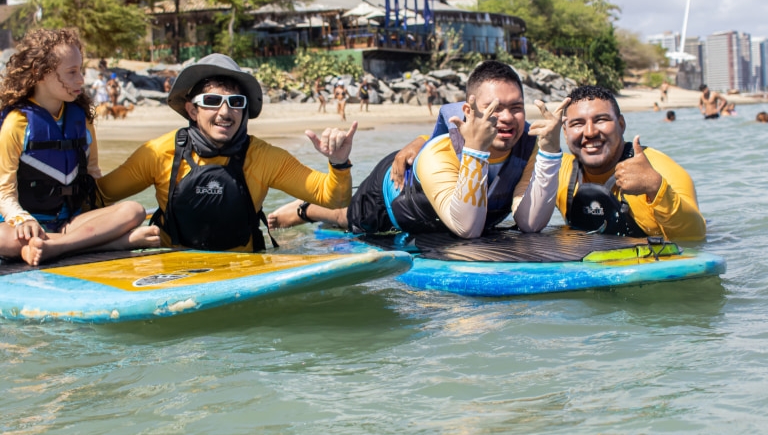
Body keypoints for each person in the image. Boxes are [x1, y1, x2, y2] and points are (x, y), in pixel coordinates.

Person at [268, 60, 566, 239]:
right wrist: (475, 151)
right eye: (494, 109)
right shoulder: (440, 153)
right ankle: (307, 210)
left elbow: (530, 223)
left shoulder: (529, 146)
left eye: (516, 108)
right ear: (468, 110)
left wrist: (551, 152)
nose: (506, 118)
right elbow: (468, 230)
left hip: (455, 214)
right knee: (350, 221)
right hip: (387, 197)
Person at [96, 53, 357, 252]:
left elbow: (333, 199)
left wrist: (338, 162)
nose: (224, 112)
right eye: (211, 102)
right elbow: (101, 195)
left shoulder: (264, 157)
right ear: (192, 111)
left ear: (244, 110)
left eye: (235, 103)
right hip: (172, 264)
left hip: (243, 267)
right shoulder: (157, 153)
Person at [0, 28, 159, 266]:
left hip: (70, 225)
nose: (81, 80)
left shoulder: (81, 119)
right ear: (39, 73)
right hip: (25, 229)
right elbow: (4, 191)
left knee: (133, 210)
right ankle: (110, 244)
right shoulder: (17, 124)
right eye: (72, 72)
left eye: (81, 71)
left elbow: (93, 177)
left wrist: (110, 220)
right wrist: (22, 219)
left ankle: (55, 247)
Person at [557, 85, 706, 241]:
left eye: (601, 120)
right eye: (577, 124)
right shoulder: (555, 172)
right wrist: (547, 146)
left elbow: (695, 237)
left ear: (621, 124)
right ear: (565, 132)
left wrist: (656, 188)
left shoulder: (660, 170)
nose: (590, 132)